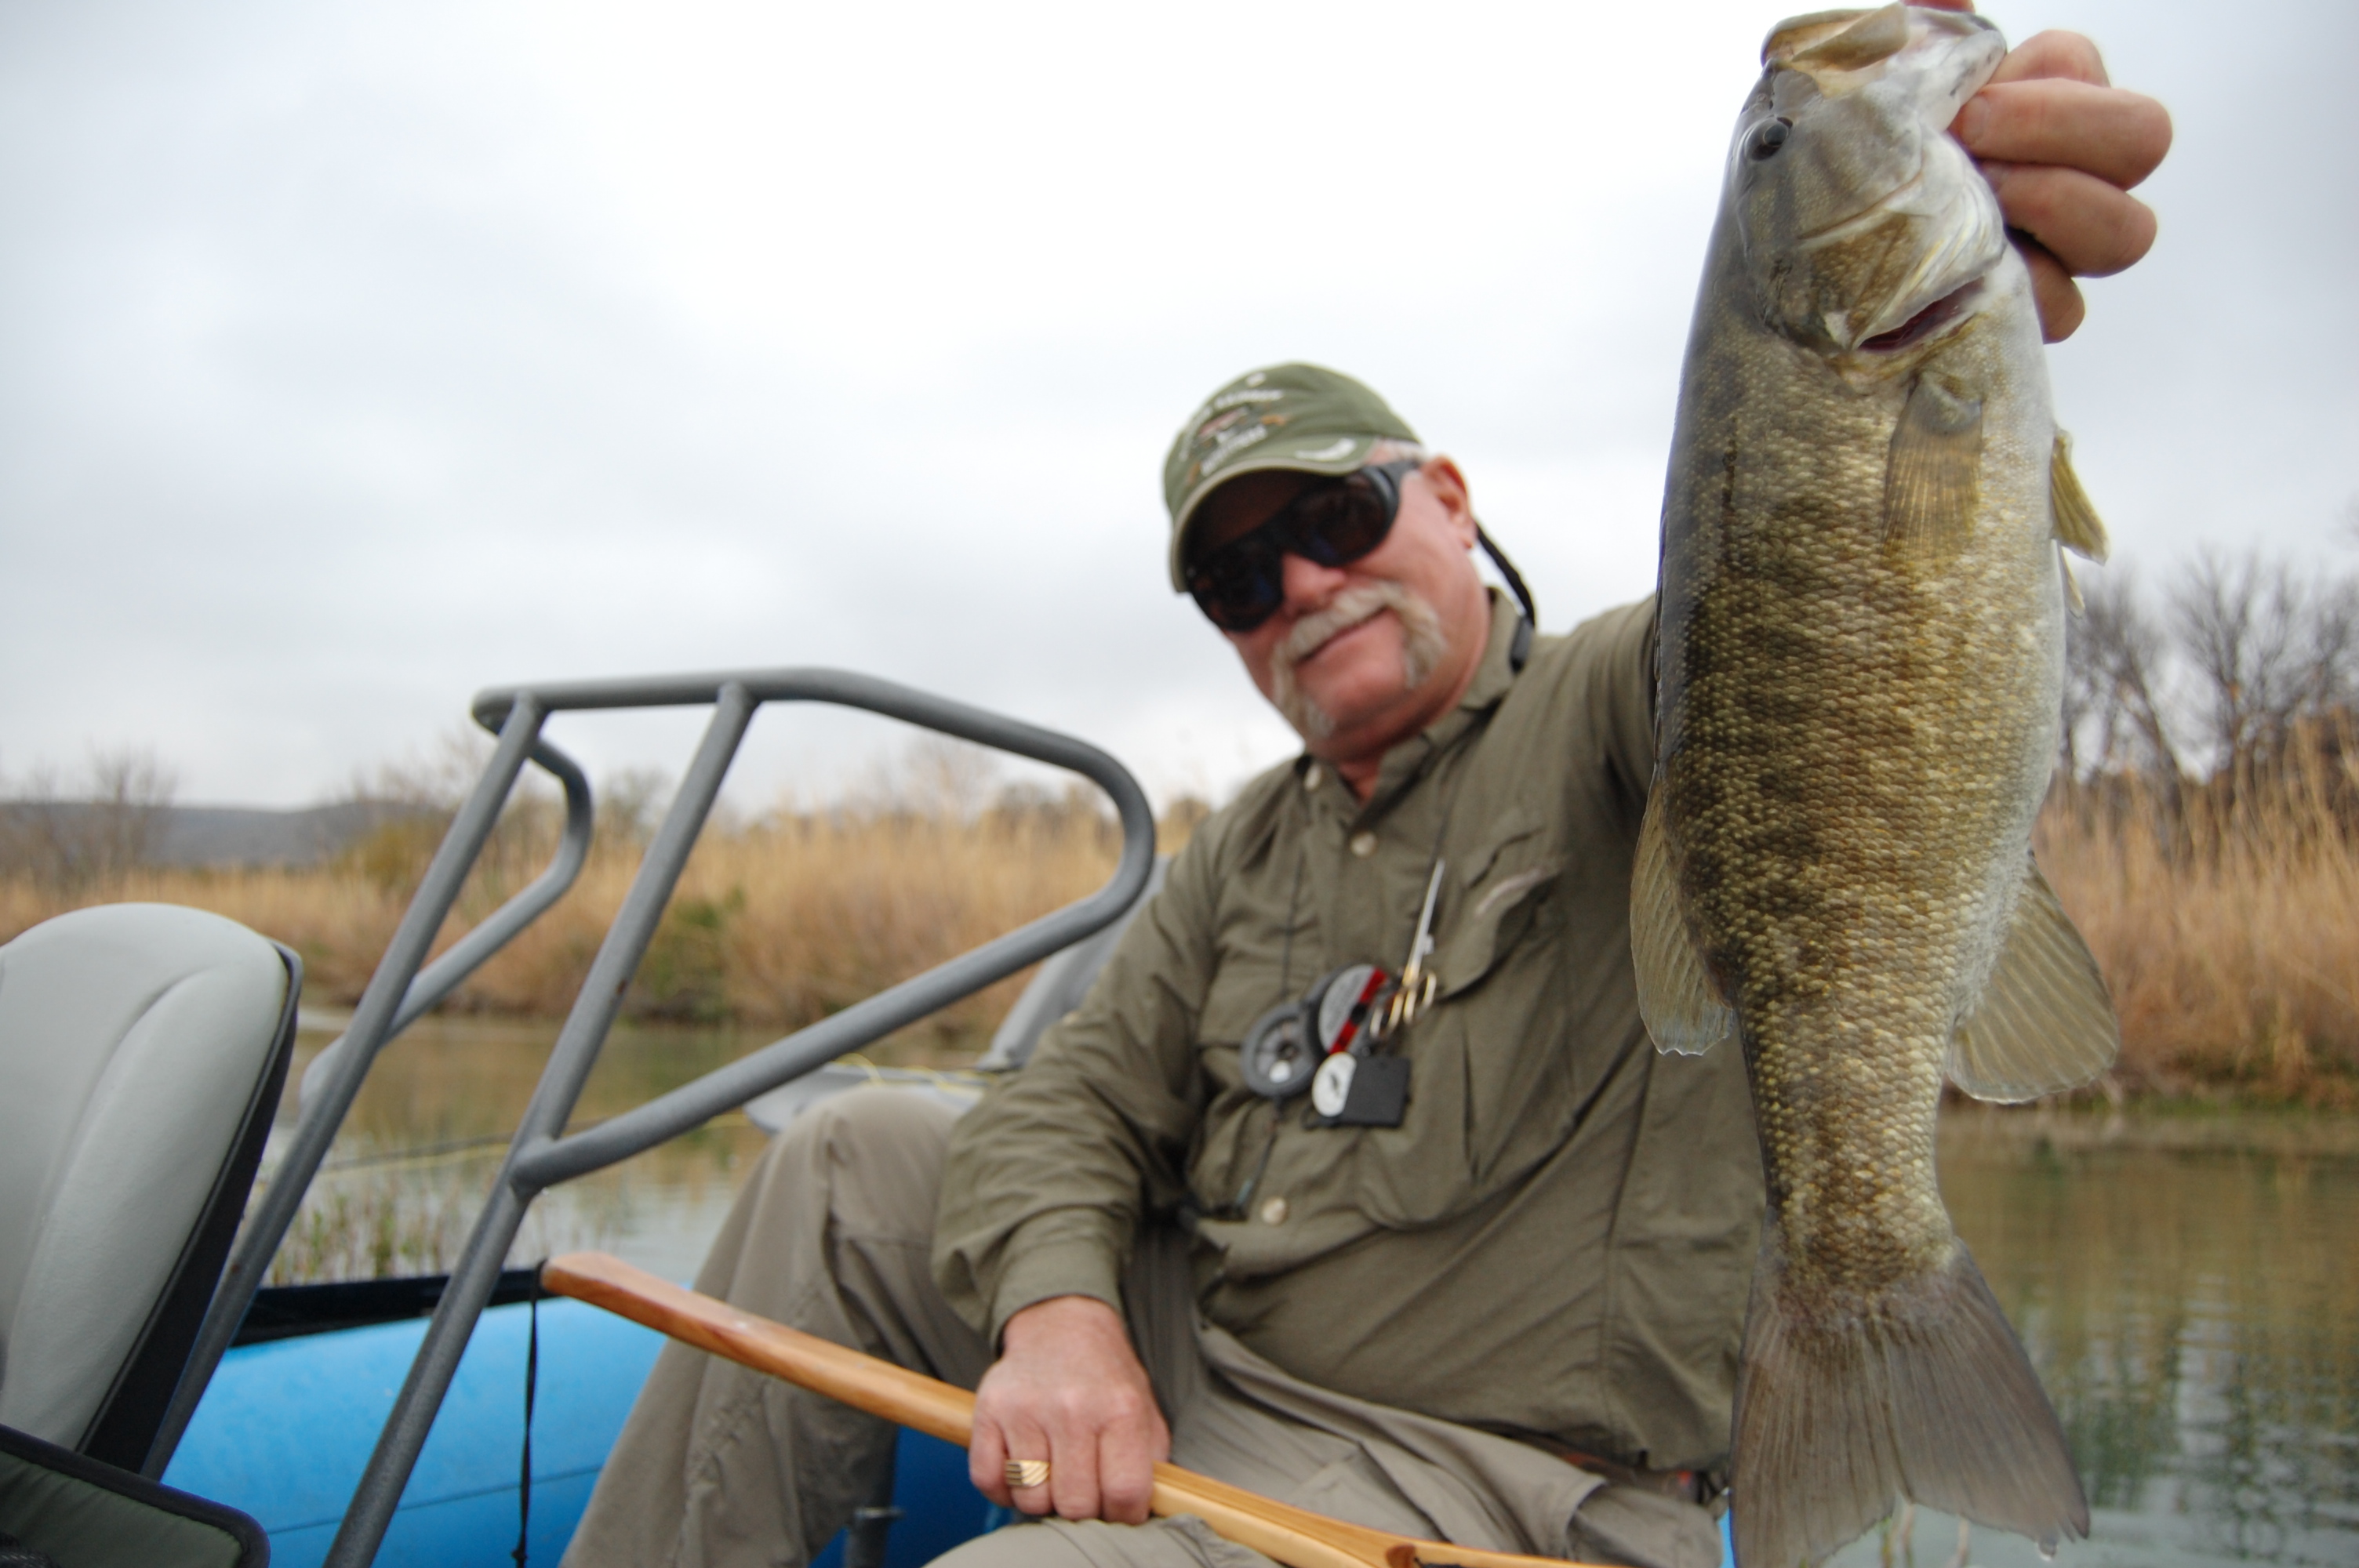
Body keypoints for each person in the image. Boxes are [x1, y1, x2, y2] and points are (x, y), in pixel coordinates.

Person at [565, 17, 2170, 1568]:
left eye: (1336, 514)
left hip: (1488, 1472)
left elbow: (1805, 603)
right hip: (1216, 1357)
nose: (1302, 585)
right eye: (1239, 572)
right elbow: (1068, 1101)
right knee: (847, 1156)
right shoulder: (1248, 844)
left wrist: (1963, 226)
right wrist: (1061, 1312)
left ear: (1451, 501)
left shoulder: (1628, 705)